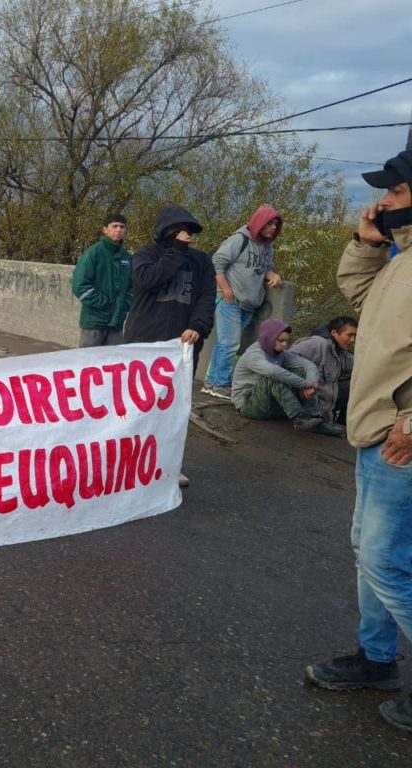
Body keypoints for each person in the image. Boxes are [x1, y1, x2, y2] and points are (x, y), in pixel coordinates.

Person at [303, 149, 412, 733]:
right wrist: (368, 242)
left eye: (394, 191)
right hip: (376, 433)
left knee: (386, 562)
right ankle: (376, 661)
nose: (384, 201)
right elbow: (361, 298)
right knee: (370, 556)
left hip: (403, 439)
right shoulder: (402, 260)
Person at [123, 205, 216, 488]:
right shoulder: (146, 256)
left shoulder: (201, 262)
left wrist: (198, 327)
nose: (182, 234)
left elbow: (207, 299)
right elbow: (148, 280)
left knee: (173, 411)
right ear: (164, 231)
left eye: (186, 230)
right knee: (137, 407)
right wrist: (175, 252)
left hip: (181, 349)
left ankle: (167, 466)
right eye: (176, 229)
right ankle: (129, 464)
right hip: (143, 345)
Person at [201, 205, 284, 400]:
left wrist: (272, 274)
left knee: (225, 344)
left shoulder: (266, 246)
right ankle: (221, 384)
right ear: (259, 222)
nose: (272, 228)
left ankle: (212, 383)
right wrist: (227, 291)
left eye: (275, 224)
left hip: (250, 303)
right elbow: (217, 263)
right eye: (269, 223)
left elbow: (266, 268)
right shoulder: (239, 239)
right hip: (232, 300)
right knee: (229, 344)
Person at [229, 318, 341, 435]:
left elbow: (308, 365)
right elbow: (274, 372)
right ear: (269, 338)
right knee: (274, 376)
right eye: (280, 340)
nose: (284, 344)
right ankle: (299, 419)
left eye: (286, 341)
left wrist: (311, 382)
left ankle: (315, 418)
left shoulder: (281, 354)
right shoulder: (254, 355)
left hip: (270, 405)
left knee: (301, 371)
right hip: (248, 404)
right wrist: (306, 384)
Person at [71, 213, 132, 347]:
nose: (118, 230)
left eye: (122, 227)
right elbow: (80, 285)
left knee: (112, 363)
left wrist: (124, 305)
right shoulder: (93, 253)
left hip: (116, 323)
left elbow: (132, 287)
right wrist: (105, 303)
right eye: (114, 226)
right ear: (105, 229)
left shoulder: (127, 257)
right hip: (94, 323)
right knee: (89, 363)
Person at [289, 316, 357, 429]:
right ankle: (307, 419)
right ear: (334, 332)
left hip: (325, 407)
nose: (352, 340)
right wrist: (305, 382)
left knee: (357, 383)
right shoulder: (316, 344)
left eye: (355, 336)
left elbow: (359, 367)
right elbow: (286, 359)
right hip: (306, 403)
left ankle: (342, 424)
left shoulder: (342, 353)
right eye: (349, 335)